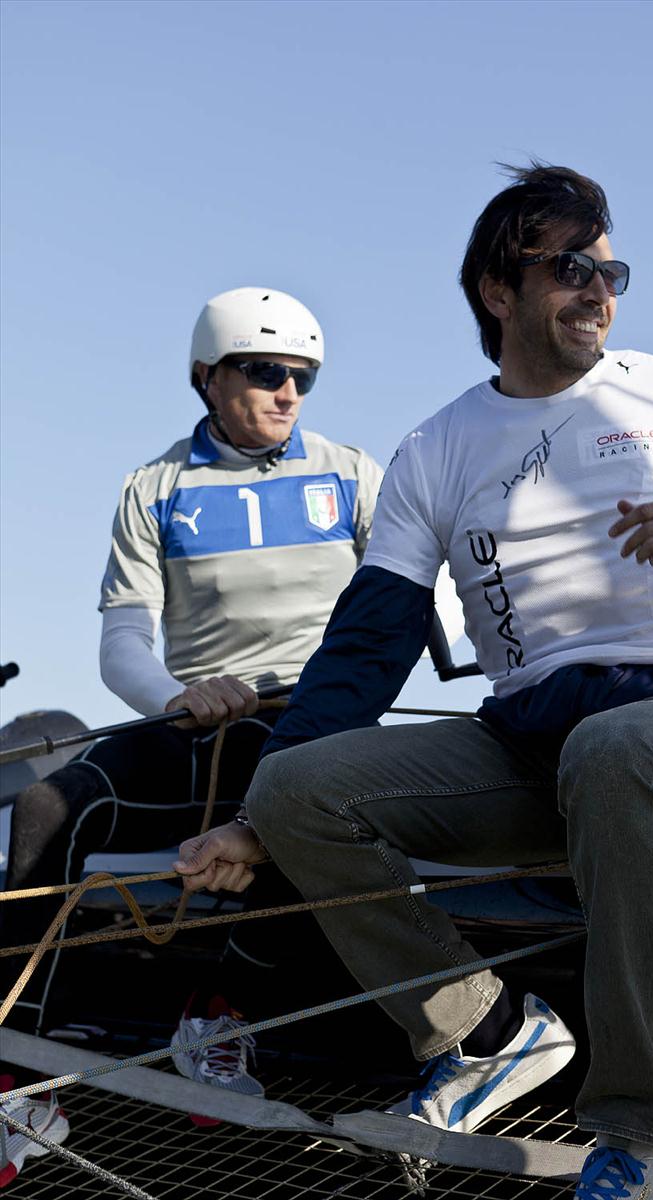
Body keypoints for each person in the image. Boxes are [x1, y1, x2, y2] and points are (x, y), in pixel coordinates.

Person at [176, 165, 653, 1200]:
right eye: (567, 268)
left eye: (609, 270)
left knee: (614, 751)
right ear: (494, 291)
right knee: (292, 790)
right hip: (523, 746)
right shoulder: (436, 447)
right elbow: (368, 643)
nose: (596, 289)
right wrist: (256, 819)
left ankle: (636, 1140)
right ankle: (488, 1031)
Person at [0, 286, 384, 1183]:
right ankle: (22, 1073)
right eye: (267, 372)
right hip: (193, 719)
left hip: (308, 721)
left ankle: (217, 1015)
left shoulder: (355, 475)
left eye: (304, 376)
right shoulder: (154, 488)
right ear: (208, 377)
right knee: (54, 803)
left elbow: (416, 609)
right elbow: (123, 639)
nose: (289, 391)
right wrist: (179, 694)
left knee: (289, 806)